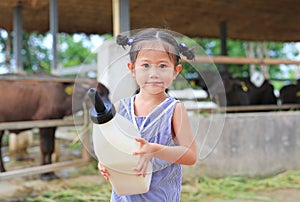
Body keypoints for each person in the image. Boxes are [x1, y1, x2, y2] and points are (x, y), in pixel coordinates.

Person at [98, 28, 197, 201]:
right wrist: (105, 164)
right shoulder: (120, 108)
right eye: (145, 65)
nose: (154, 73)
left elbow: (190, 155)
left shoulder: (174, 110)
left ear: (176, 71)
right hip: (124, 196)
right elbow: (110, 147)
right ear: (132, 69)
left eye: (162, 66)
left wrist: (155, 150)